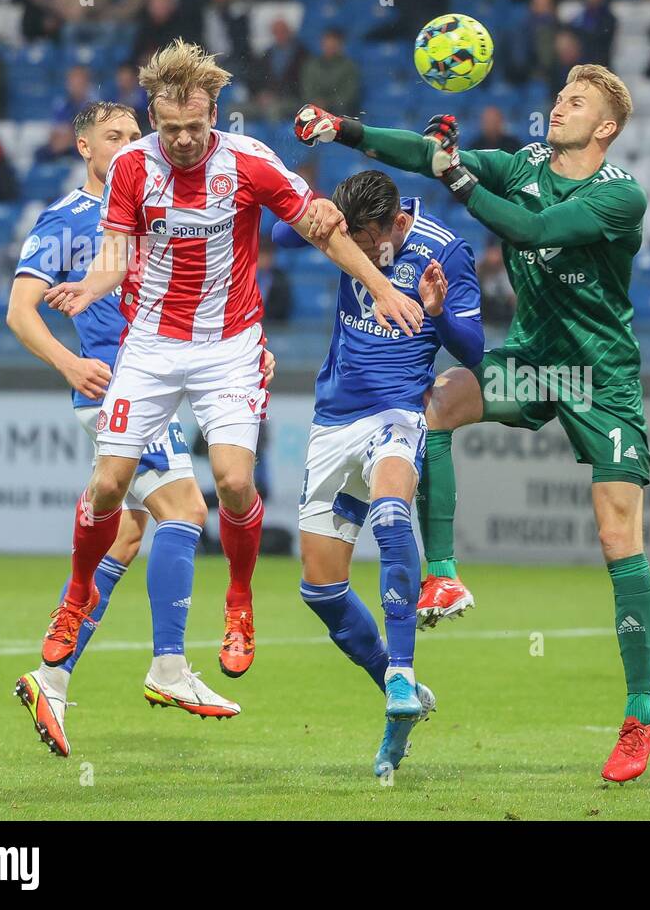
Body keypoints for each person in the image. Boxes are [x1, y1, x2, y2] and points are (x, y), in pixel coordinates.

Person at [294, 63, 650, 782]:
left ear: (608, 126)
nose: (559, 107)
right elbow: (422, 158)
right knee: (434, 406)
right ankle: (445, 576)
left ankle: (640, 717)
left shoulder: (622, 197)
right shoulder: (523, 162)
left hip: (600, 377)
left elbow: (533, 226)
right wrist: (345, 130)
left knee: (618, 535)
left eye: (576, 102)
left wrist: (460, 180)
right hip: (531, 357)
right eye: (558, 96)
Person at [37, 41, 422, 712]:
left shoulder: (248, 162)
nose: (183, 141)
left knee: (236, 481)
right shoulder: (132, 167)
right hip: (151, 343)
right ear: (154, 116)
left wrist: (381, 288)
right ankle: (76, 596)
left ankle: (239, 599)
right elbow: (116, 257)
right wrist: (87, 286)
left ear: (214, 112)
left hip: (230, 344)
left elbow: (323, 228)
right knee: (108, 484)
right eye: (170, 128)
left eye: (195, 127)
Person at [7, 101, 243, 755]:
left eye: (135, 135)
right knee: (188, 511)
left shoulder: (150, 211)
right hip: (114, 389)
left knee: (126, 537)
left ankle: (50, 678)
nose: (130, 145)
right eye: (114, 136)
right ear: (84, 147)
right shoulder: (65, 220)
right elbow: (19, 311)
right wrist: (68, 361)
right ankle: (168, 666)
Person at [271, 169, 483, 775]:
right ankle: (393, 682)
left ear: (395, 223)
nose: (358, 255)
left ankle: (401, 676)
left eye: (369, 243)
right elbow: (279, 232)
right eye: (352, 243)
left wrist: (439, 315)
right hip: (334, 419)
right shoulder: (344, 228)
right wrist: (304, 209)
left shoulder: (445, 250)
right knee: (321, 590)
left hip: (397, 411)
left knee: (392, 513)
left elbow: (474, 350)